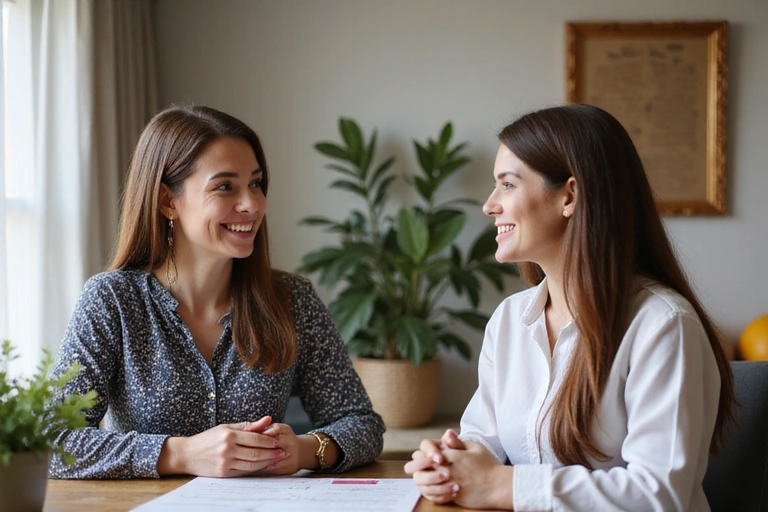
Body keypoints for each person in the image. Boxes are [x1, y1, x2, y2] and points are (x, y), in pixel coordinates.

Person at [404, 104, 735, 511]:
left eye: (507, 185)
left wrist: (502, 486)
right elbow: (483, 439)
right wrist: (449, 463)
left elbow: (659, 496)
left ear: (570, 195)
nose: (490, 205)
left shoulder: (663, 325)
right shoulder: (509, 320)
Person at [48, 105, 384, 479]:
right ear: (167, 201)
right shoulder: (112, 300)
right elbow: (52, 441)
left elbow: (362, 424)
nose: (253, 204)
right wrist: (182, 454)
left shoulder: (292, 298)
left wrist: (304, 450)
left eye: (255, 183)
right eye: (225, 187)